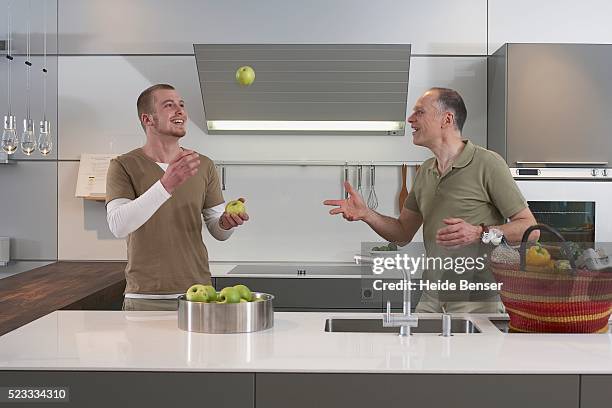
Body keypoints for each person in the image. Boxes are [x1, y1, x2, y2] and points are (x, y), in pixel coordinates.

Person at [324, 87, 538, 313]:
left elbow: (530, 230)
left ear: (447, 119)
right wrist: (367, 214)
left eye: (419, 112)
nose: (410, 119)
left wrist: (479, 233)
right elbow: (403, 233)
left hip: (476, 301)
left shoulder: (488, 163)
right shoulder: (426, 171)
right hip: (431, 298)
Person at [105, 84, 249, 311]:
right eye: (169, 105)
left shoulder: (203, 164)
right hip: (145, 297)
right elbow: (118, 225)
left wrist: (225, 223)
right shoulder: (123, 165)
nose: (180, 110)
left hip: (199, 296)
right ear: (148, 119)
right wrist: (166, 184)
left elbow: (219, 231)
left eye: (181, 105)